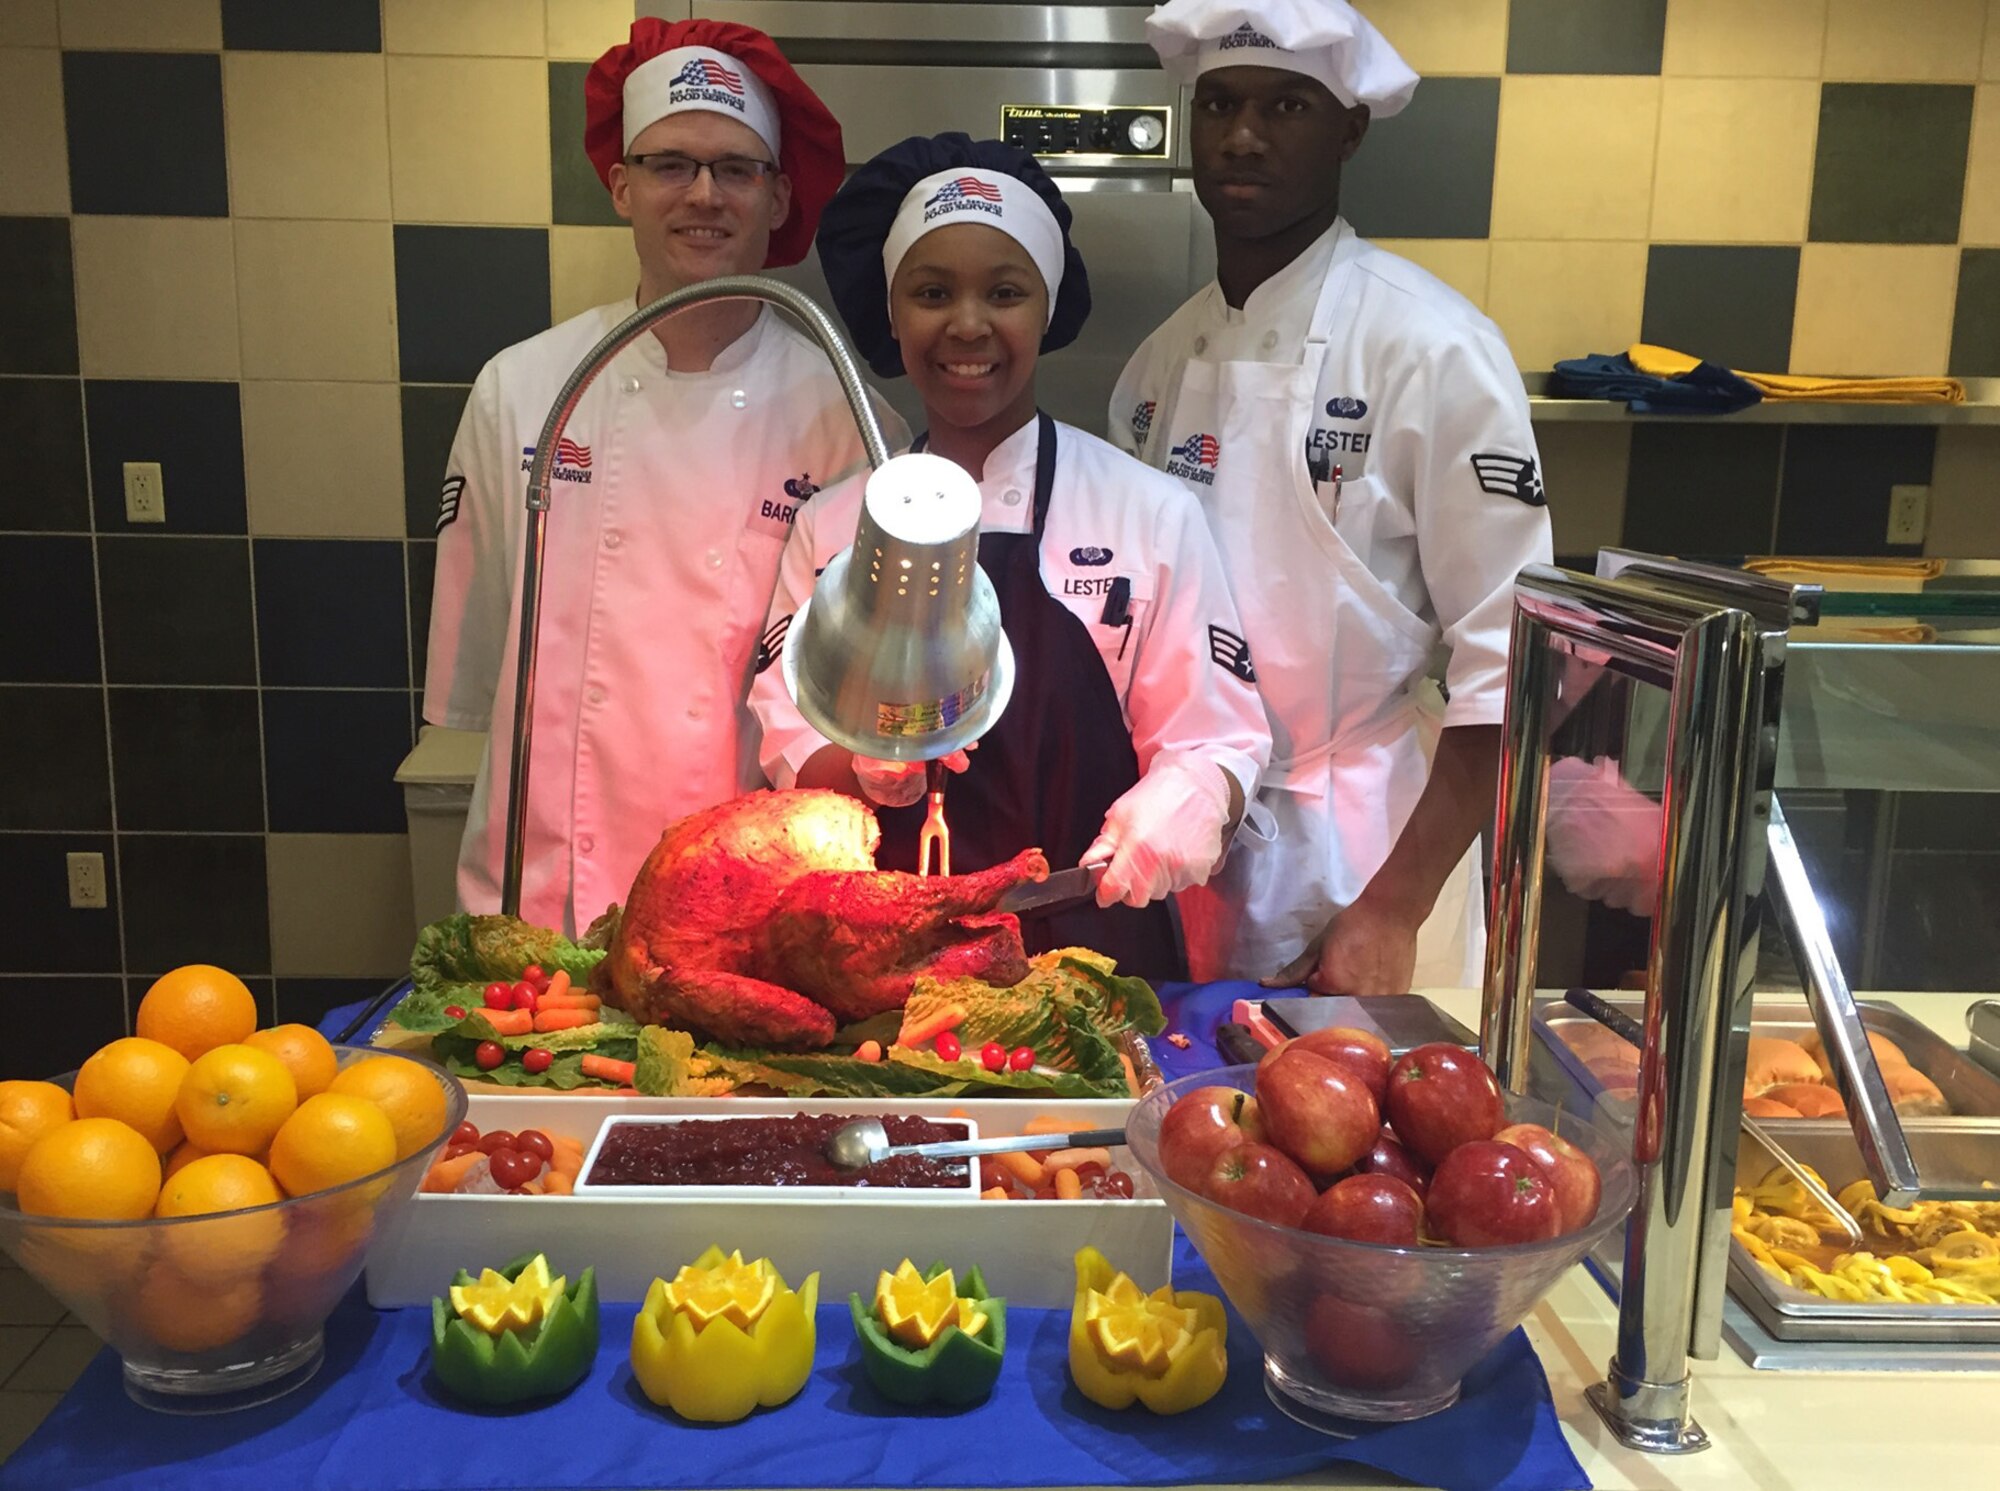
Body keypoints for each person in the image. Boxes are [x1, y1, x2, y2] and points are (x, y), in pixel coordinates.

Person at [424, 18, 907, 935]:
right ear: (620, 186)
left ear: (775, 197)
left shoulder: (849, 417)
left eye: (736, 169)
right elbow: (487, 666)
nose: (703, 194)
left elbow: (853, 701)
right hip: (545, 890)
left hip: (747, 894)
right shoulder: (523, 389)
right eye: (671, 164)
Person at [748, 134, 1272, 978]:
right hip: (881, 973)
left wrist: (1195, 796)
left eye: (1003, 291)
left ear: (1046, 306)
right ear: (891, 313)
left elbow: (1219, 738)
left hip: (1096, 958)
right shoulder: (833, 522)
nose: (967, 324)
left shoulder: (1149, 511)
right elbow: (784, 729)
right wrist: (857, 765)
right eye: (931, 292)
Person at [1111, 0, 1554, 992]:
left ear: (1347, 128)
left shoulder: (1430, 347)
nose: (1242, 136)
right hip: (1186, 854)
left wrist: (1391, 910)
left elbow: (1518, 660)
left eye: (1285, 107)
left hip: (1369, 860)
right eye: (1218, 103)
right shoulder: (1154, 366)